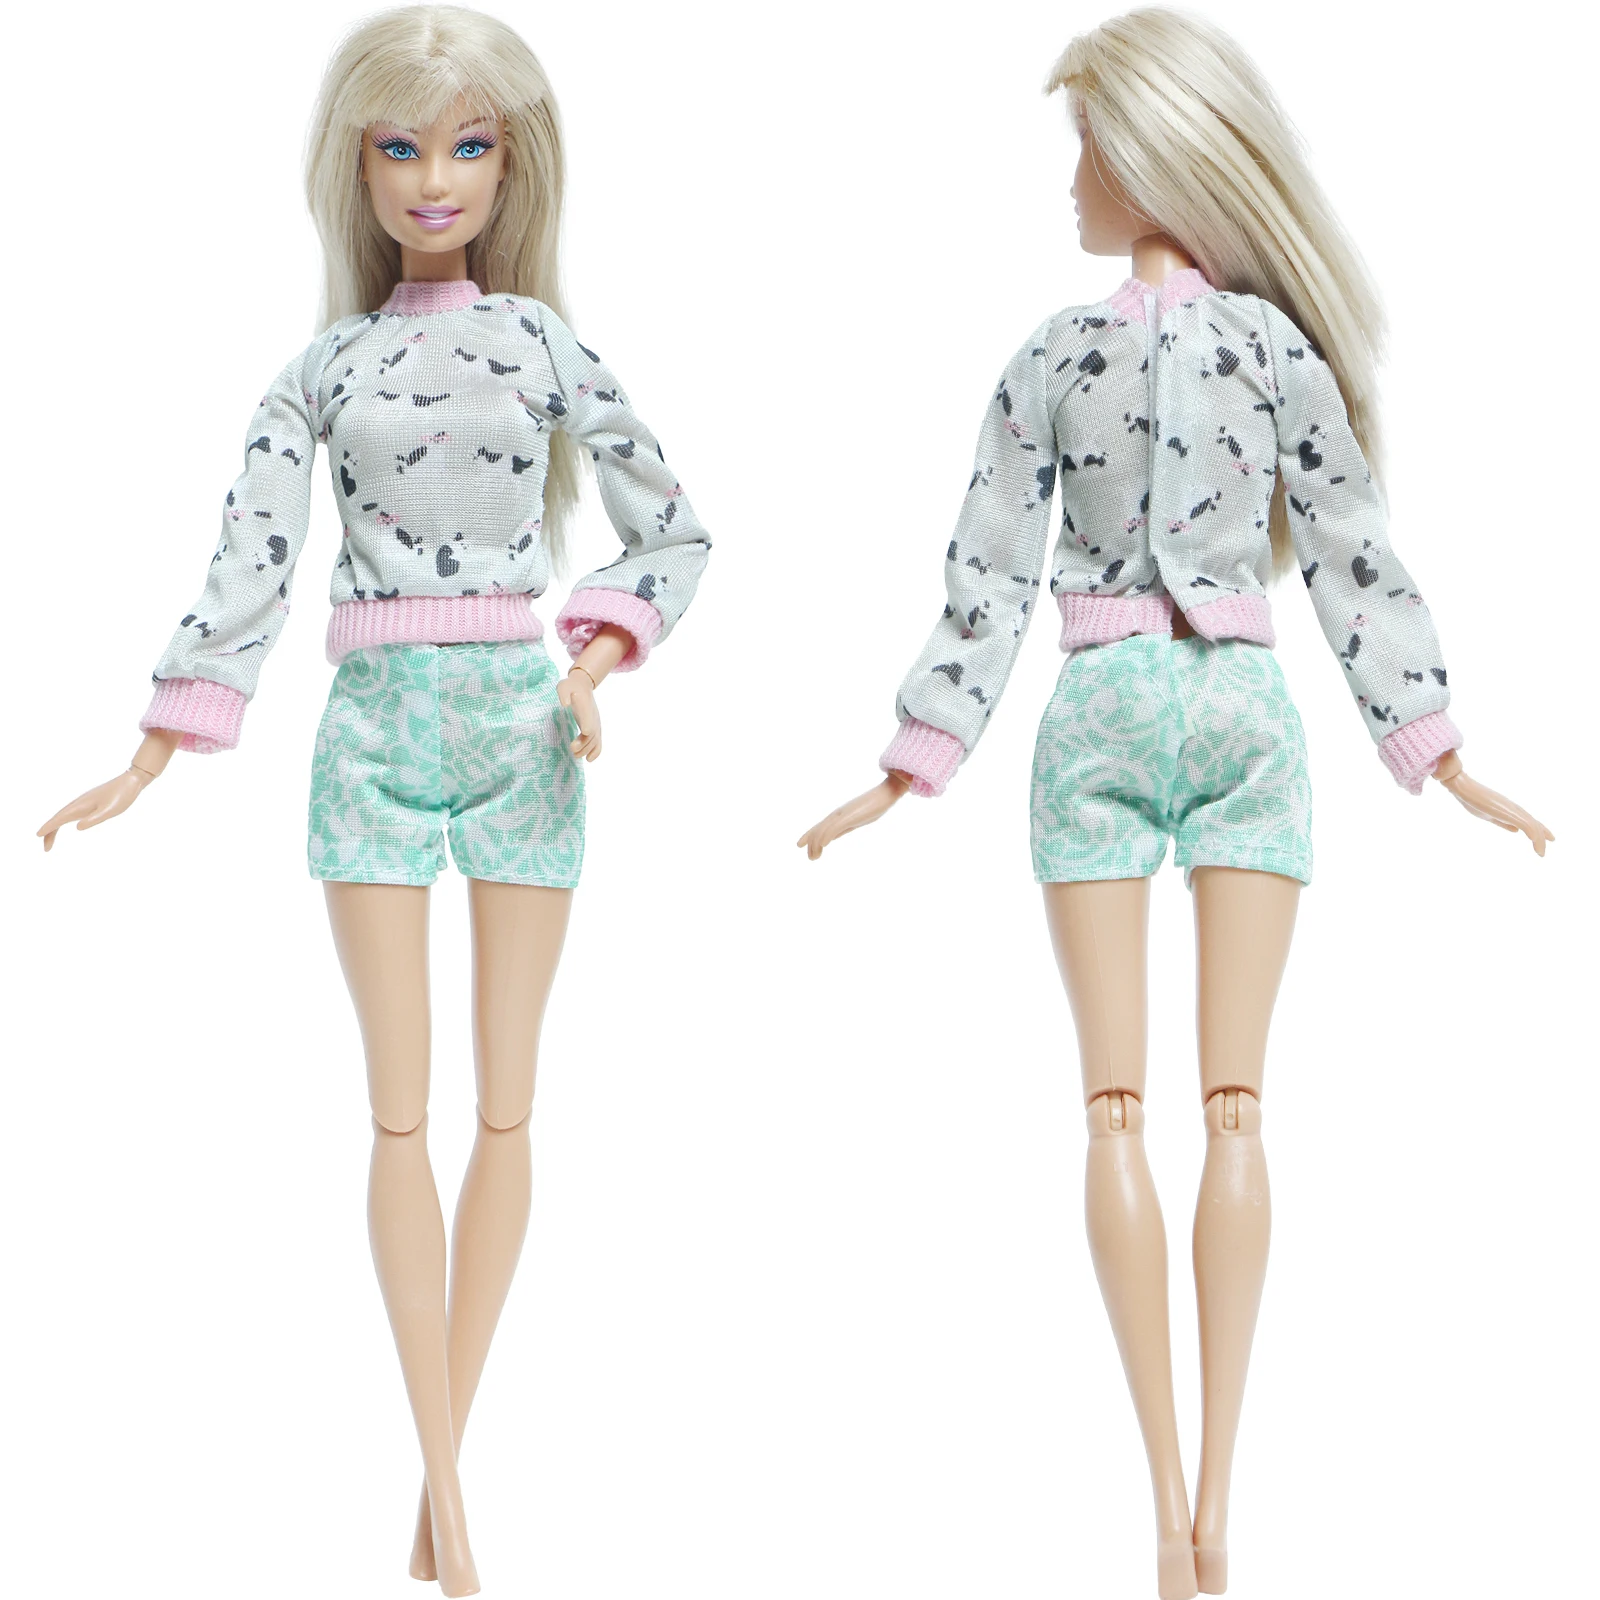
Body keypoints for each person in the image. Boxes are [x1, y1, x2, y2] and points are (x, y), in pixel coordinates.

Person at [798, 9, 1549, 1597]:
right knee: (1235, 1107)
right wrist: (1432, 743)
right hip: (1241, 711)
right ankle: (1204, 1494)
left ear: (1150, 157)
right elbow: (1350, 554)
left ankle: (1176, 1504)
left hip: (1098, 716)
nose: (1072, 181)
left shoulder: (1054, 357)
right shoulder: (1270, 351)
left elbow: (992, 573)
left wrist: (919, 753)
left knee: (1118, 1110)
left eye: (1088, 146)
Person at [37, 8, 711, 1594]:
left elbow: (673, 527)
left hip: (529, 732)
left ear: (513, 164)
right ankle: (452, 1504)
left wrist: (596, 659)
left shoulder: (545, 344)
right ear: (356, 164)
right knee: (399, 1113)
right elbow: (251, 566)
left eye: (467, 145)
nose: (432, 179)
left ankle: (440, 1489)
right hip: (371, 741)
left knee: (506, 1106)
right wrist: (159, 742)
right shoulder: (320, 372)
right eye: (401, 147)